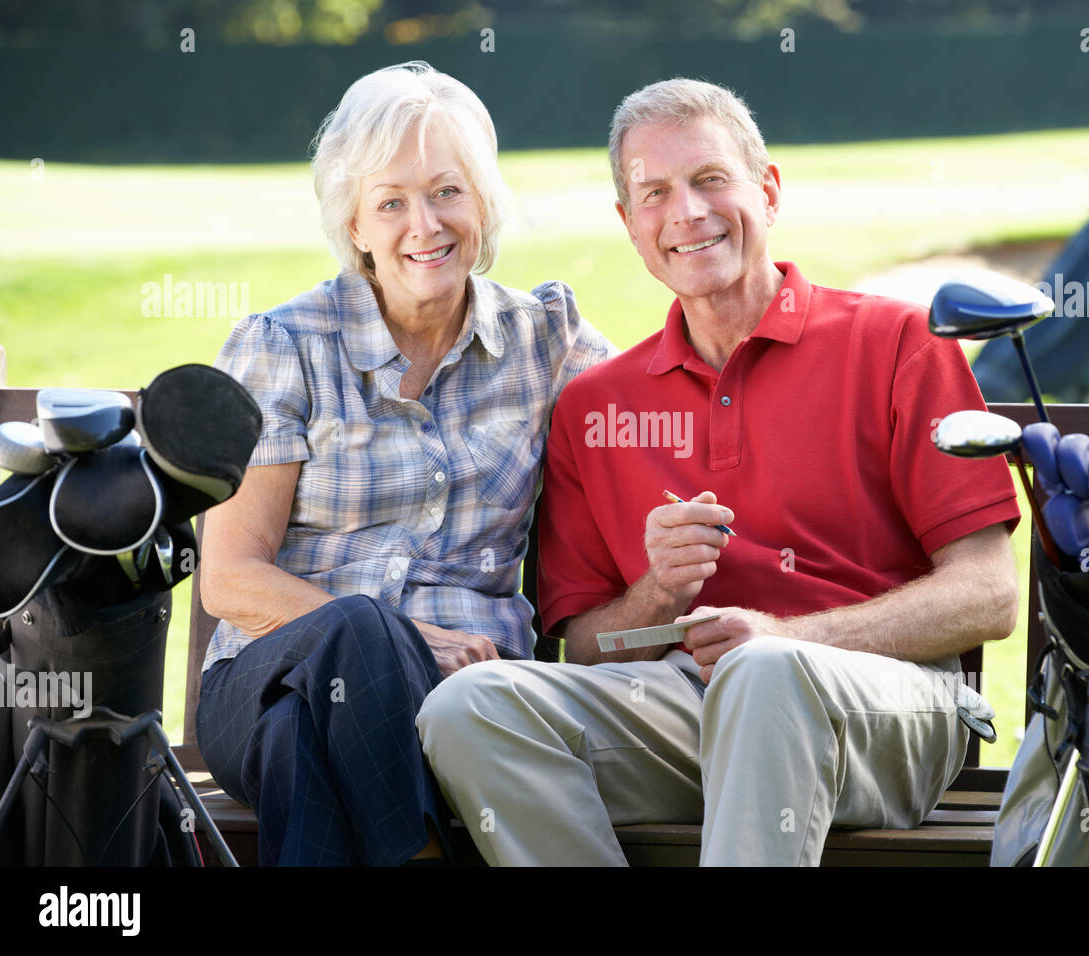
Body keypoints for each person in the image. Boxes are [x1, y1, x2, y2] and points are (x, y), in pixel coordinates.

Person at [416, 78, 1022, 866]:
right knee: (472, 706)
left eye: (710, 180)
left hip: (886, 706)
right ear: (630, 226)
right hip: (683, 710)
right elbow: (591, 648)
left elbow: (990, 593)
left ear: (767, 191)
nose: (688, 213)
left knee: (764, 674)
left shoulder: (899, 342)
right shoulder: (597, 404)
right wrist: (658, 592)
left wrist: (788, 637)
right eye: (655, 193)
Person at [194, 61, 611, 866]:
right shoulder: (285, 347)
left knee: (299, 744)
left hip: (468, 704)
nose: (425, 224)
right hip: (264, 678)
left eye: (447, 191)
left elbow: (666, 408)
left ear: (483, 201)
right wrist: (407, 641)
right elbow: (231, 581)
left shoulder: (543, 342)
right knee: (354, 628)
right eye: (391, 202)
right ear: (354, 224)